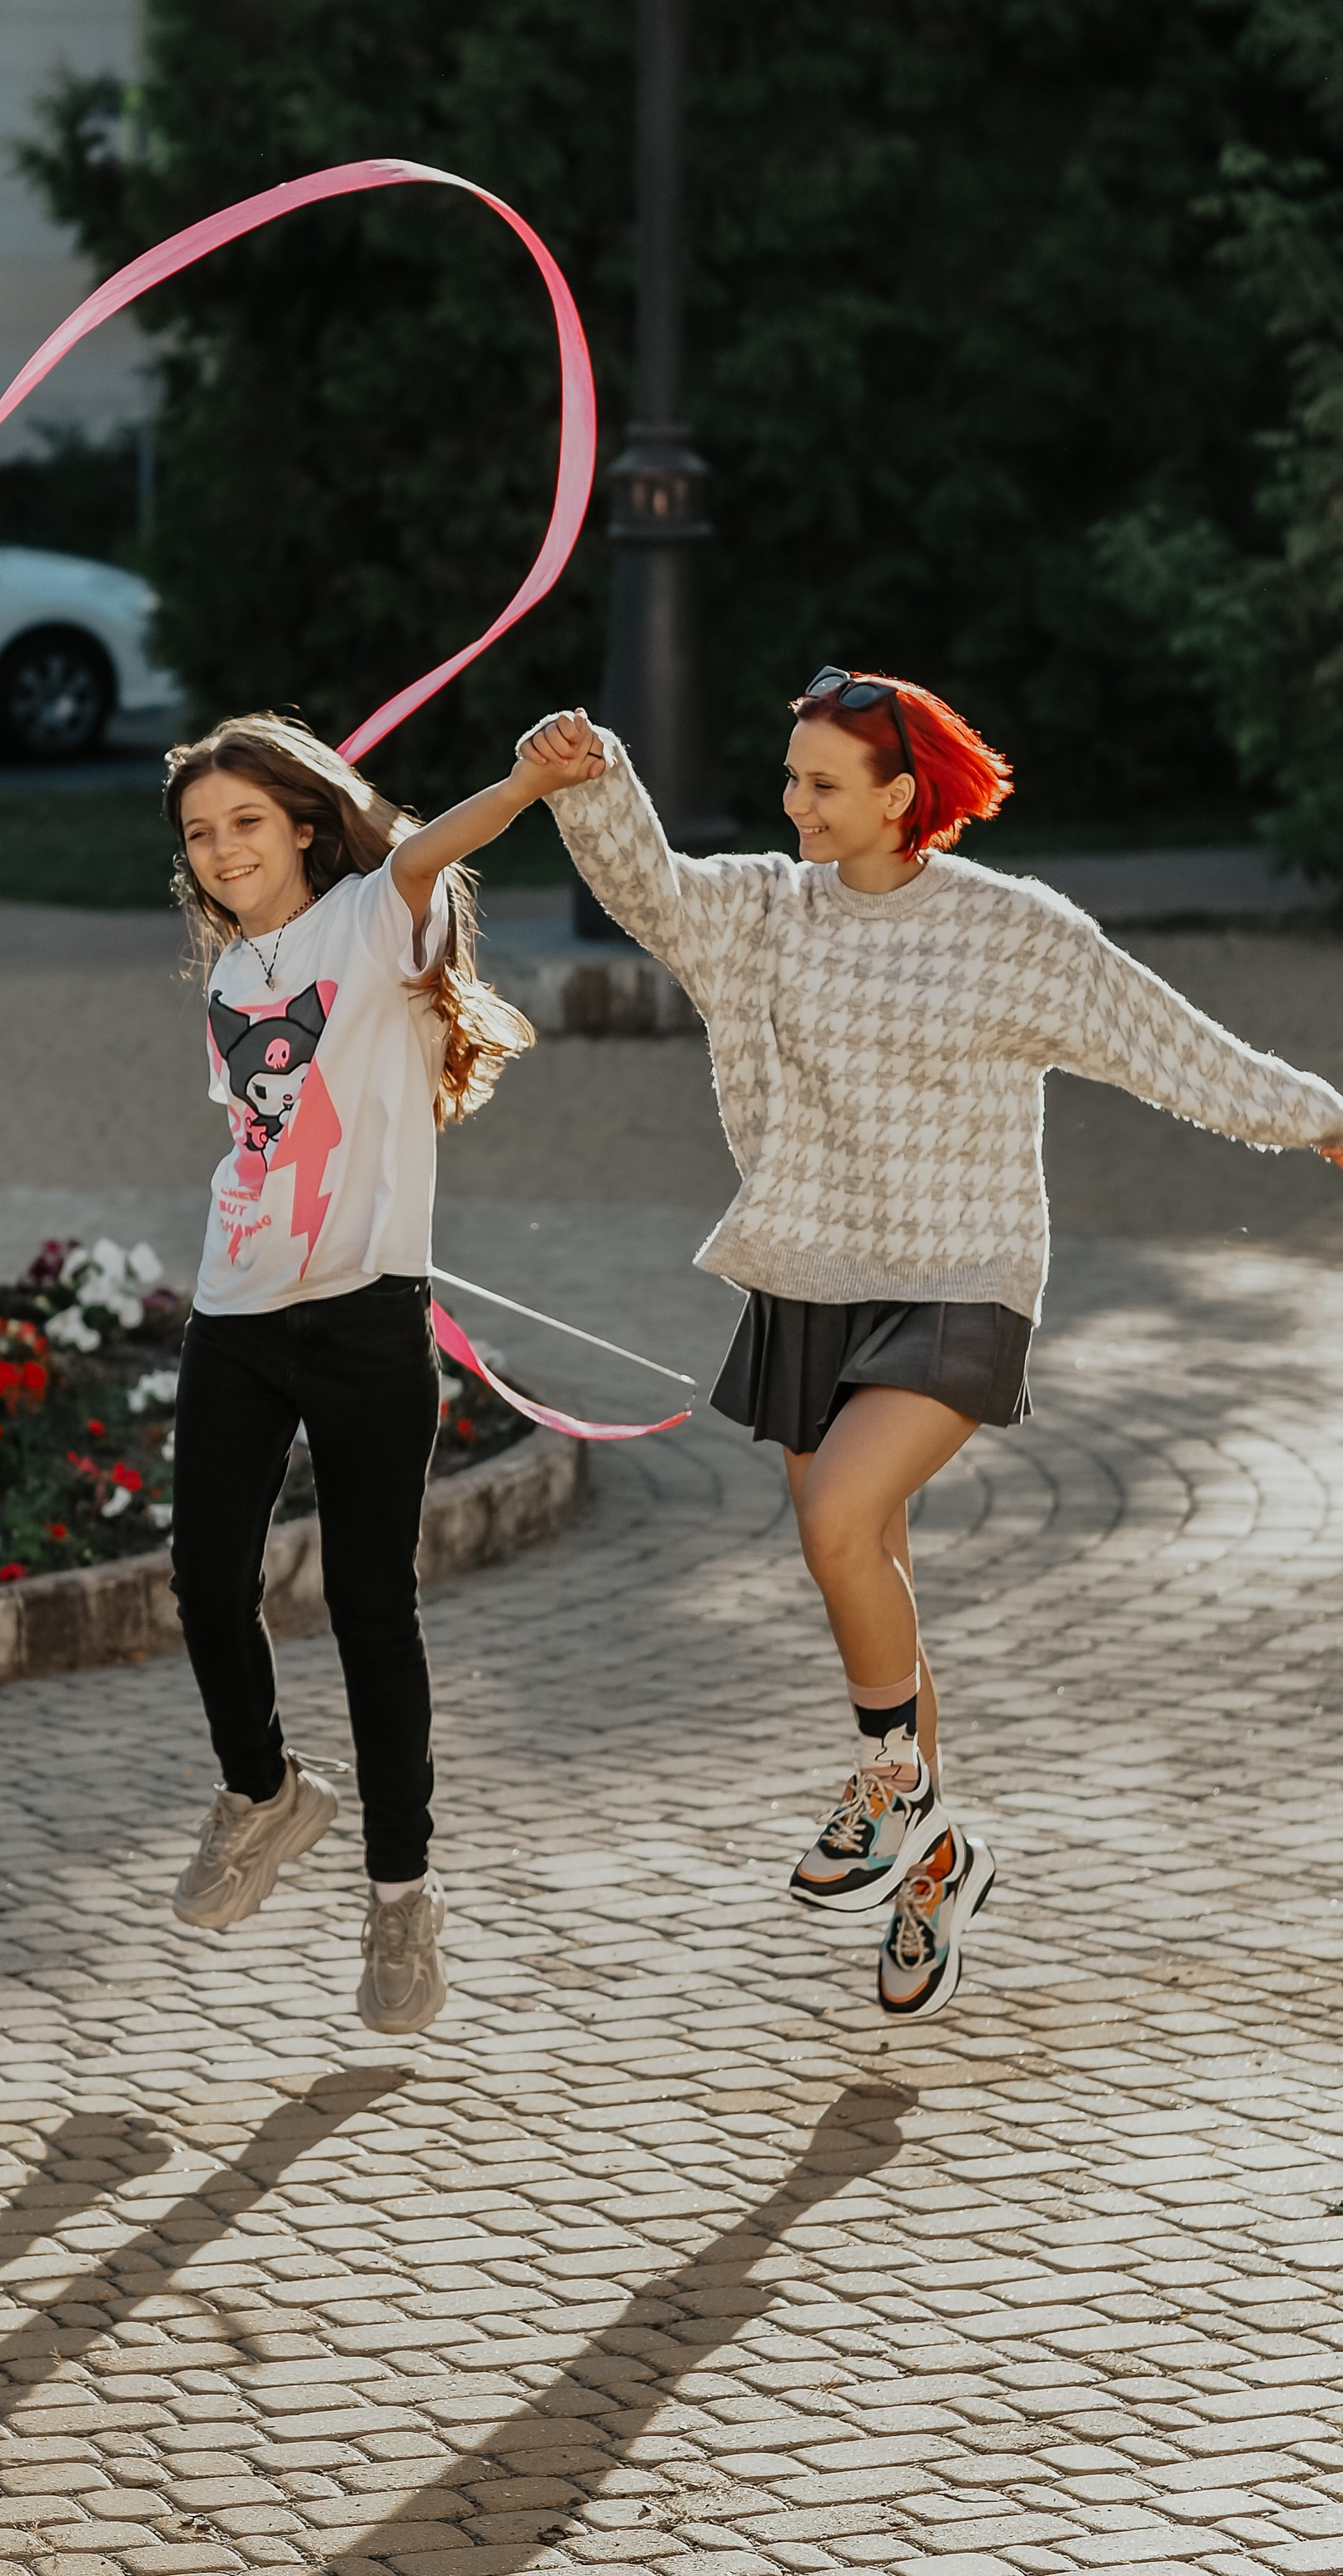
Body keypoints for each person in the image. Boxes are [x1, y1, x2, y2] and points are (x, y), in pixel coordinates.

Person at [515, 680, 1343, 2020]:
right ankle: (933, 1868)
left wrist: (1313, 1117)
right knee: (869, 1566)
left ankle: (886, 1786)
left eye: (822, 786)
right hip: (808, 1270)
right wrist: (586, 771)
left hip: (960, 1273)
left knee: (839, 1516)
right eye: (789, 779)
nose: (793, 806)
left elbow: (1160, 1042)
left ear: (902, 797)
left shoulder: (1011, 932)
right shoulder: (764, 914)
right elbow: (645, 885)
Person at [164, 712, 554, 2035]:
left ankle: (401, 1901)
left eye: (247, 823)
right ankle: (266, 1793)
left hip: (367, 1325)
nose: (223, 850)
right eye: (202, 833)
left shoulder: (369, 921)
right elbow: (263, 1140)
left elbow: (433, 845)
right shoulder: (236, 971)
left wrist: (527, 780)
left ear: (306, 823)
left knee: (370, 1607)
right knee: (204, 1580)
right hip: (236, 1313)